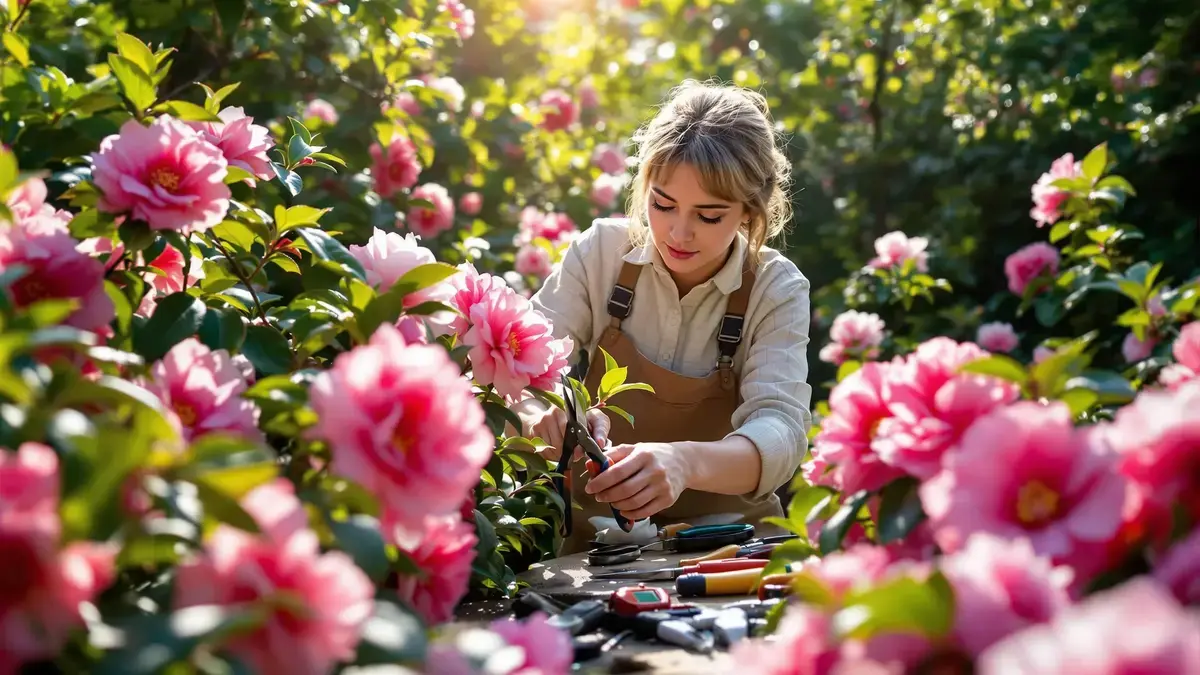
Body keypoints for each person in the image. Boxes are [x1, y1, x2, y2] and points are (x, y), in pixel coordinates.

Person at [519, 79, 814, 556]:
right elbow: (521, 372)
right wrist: (547, 416)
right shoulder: (601, 255)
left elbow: (780, 432)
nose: (678, 232)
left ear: (749, 212)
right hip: (600, 545)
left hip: (730, 545)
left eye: (709, 215)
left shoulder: (775, 289)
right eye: (662, 204)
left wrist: (683, 463)